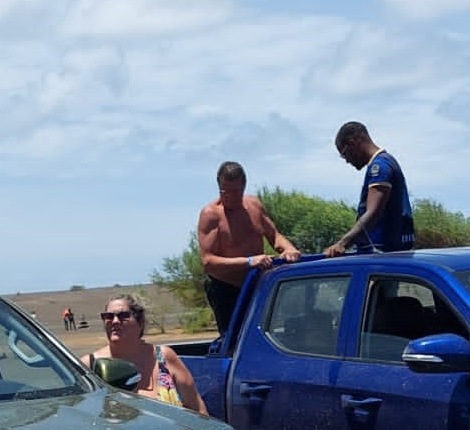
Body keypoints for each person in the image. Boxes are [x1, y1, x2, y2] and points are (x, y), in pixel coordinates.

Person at [197, 160, 301, 331]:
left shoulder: (254, 205)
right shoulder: (211, 214)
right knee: (234, 340)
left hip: (256, 284)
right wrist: (248, 261)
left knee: (264, 333)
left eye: (234, 192)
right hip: (226, 289)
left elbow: (274, 236)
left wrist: (288, 248)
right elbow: (208, 261)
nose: (229, 197)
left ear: (244, 186)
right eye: (224, 191)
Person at [88, 295, 207, 414]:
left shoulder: (164, 357)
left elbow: (197, 408)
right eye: (108, 316)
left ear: (140, 322)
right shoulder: (90, 365)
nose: (114, 321)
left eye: (123, 316)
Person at [325, 121, 415, 255]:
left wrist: (342, 244)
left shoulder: (379, 167)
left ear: (352, 143)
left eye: (344, 154)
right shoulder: (387, 161)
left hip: (381, 254)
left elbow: (373, 213)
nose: (347, 160)